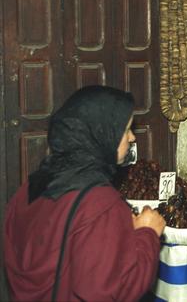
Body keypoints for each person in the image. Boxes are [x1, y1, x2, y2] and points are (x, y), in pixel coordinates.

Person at [3, 86, 166, 301]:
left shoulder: (32, 185)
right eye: (125, 130)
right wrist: (147, 234)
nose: (132, 137)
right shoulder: (100, 202)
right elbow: (111, 291)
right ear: (101, 133)